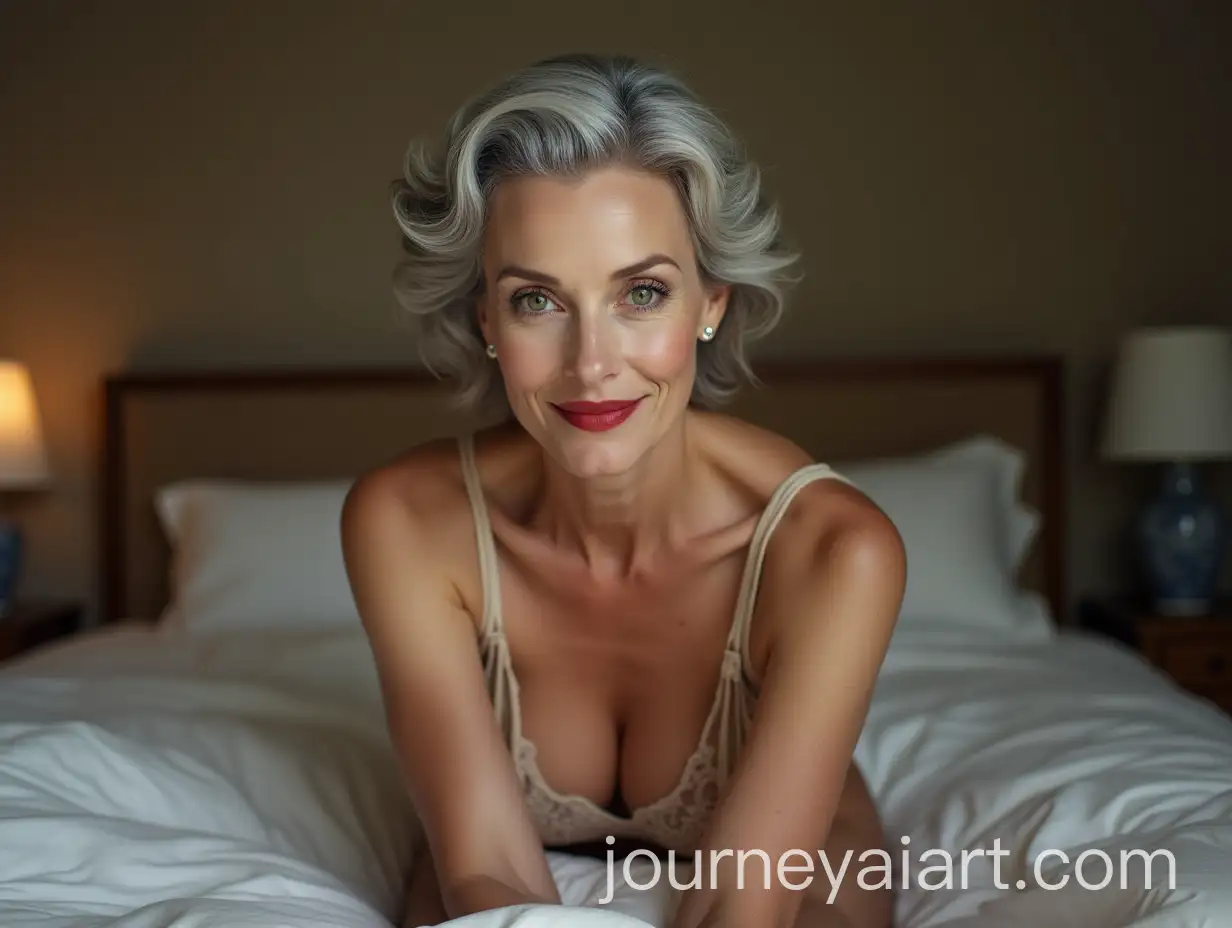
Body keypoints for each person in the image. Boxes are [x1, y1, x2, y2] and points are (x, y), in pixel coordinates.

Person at [342, 53, 906, 928]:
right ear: (486, 319)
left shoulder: (833, 552)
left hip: (796, 875)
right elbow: (485, 868)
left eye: (641, 292)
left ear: (709, 305)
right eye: (537, 301)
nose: (593, 363)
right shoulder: (408, 525)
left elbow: (741, 905)